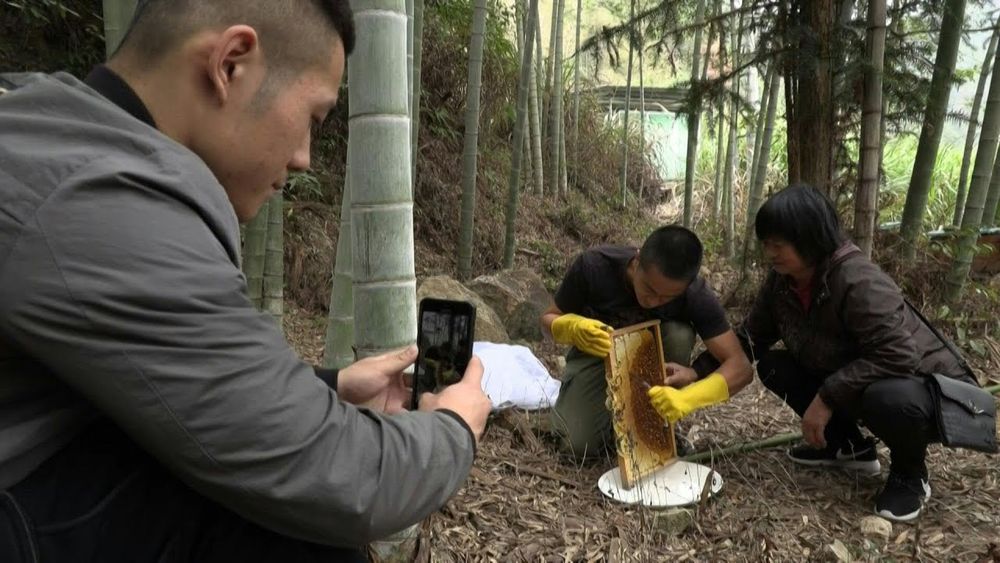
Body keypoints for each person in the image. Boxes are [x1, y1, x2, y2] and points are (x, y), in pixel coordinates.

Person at [0, 1, 491, 561]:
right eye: (313, 118)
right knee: (294, 530)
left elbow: (171, 380)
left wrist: (326, 386)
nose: (306, 158)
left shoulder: (61, 132)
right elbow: (340, 477)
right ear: (231, 63)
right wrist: (453, 428)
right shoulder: (97, 199)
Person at [669, 184, 978, 522]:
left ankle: (910, 473)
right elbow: (750, 338)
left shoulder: (858, 280)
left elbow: (899, 356)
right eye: (766, 243)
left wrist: (826, 398)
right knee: (774, 365)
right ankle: (847, 447)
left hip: (929, 392)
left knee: (887, 395)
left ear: (809, 238)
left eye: (778, 244)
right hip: (861, 378)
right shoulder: (782, 282)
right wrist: (696, 372)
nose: (769, 252)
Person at [541, 225, 753, 460]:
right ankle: (609, 421)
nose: (653, 301)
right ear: (638, 259)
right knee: (577, 446)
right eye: (649, 288)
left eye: (667, 297)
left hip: (653, 360)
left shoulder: (695, 294)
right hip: (597, 355)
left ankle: (651, 421)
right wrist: (571, 327)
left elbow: (740, 368)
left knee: (680, 333)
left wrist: (690, 393)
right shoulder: (594, 266)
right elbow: (548, 318)